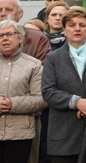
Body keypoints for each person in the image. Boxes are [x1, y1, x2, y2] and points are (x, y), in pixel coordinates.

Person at [41, 6, 86, 163]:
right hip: (62, 136)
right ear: (64, 29)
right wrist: (77, 102)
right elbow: (48, 91)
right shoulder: (53, 58)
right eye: (71, 25)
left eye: (82, 25)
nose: (77, 29)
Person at [0, 20, 46, 163]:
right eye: (0, 35)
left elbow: (41, 99)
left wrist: (11, 104)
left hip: (21, 133)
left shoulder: (34, 65)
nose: (4, 38)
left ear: (20, 38)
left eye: (9, 34)